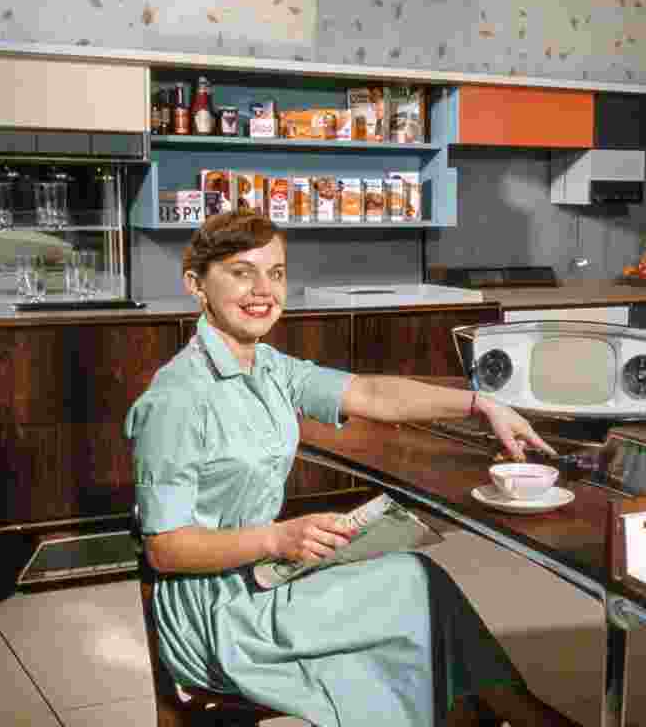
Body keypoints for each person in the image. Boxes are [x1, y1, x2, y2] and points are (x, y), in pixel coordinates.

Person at [125, 213, 575, 727]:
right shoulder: (177, 399)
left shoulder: (267, 366)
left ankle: (505, 714)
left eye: (275, 272)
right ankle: (521, 716)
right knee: (414, 590)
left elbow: (369, 392)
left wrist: (481, 404)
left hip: (264, 580)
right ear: (196, 285)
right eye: (240, 271)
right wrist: (276, 539)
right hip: (218, 614)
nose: (262, 290)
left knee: (418, 605)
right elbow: (165, 548)